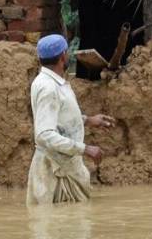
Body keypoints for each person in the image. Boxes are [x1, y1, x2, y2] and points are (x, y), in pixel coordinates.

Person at [27, 34, 116, 205]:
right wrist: (85, 149)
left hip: (64, 167)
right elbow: (44, 134)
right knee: (64, 225)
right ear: (63, 56)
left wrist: (88, 120)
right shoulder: (48, 87)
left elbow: (59, 118)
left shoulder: (51, 82)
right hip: (56, 172)